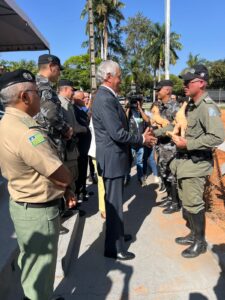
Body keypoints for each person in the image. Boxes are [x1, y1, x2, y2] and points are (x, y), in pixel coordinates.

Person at [0, 69, 75, 300]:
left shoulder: (6, 124)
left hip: (21, 205)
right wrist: (69, 186)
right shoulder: (26, 132)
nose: (40, 97)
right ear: (24, 97)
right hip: (38, 213)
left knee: (31, 265)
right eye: (36, 92)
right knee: (40, 274)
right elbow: (59, 174)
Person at [92, 60, 157, 260]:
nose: (121, 80)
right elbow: (117, 133)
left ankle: (116, 237)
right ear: (109, 77)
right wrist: (141, 138)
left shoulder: (108, 97)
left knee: (115, 204)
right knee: (114, 205)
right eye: (119, 76)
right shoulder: (104, 98)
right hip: (112, 159)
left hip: (115, 159)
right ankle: (114, 248)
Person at [170, 65, 225, 258]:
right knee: (188, 202)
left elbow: (218, 137)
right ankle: (194, 234)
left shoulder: (207, 107)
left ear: (201, 83)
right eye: (184, 81)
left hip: (197, 164)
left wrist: (189, 143)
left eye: (188, 81)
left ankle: (200, 243)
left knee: (194, 204)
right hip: (188, 163)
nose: (184, 85)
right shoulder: (193, 105)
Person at [35, 54, 73, 160]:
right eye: (58, 69)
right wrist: (66, 129)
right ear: (51, 66)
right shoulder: (44, 87)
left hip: (38, 140)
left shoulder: (32, 84)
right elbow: (51, 114)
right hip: (50, 141)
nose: (59, 73)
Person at [153, 80, 181, 214]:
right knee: (164, 172)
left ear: (168, 91)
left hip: (171, 147)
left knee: (171, 175)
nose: (157, 92)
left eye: (159, 90)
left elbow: (175, 126)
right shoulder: (161, 106)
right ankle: (170, 198)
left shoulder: (175, 106)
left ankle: (175, 203)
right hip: (162, 146)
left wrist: (156, 132)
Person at [72, 90, 93, 202]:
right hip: (80, 146)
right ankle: (79, 193)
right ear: (76, 99)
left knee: (84, 168)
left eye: (85, 98)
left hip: (85, 146)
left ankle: (83, 191)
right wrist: (85, 129)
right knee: (79, 171)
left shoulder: (81, 109)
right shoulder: (74, 110)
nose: (85, 100)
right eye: (82, 98)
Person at [124, 96, 146, 186]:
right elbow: (124, 119)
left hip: (140, 141)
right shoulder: (128, 113)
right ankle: (127, 177)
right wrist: (128, 108)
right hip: (131, 141)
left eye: (137, 103)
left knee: (139, 161)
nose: (135, 104)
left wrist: (140, 109)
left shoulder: (141, 112)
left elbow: (147, 120)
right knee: (129, 161)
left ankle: (140, 178)